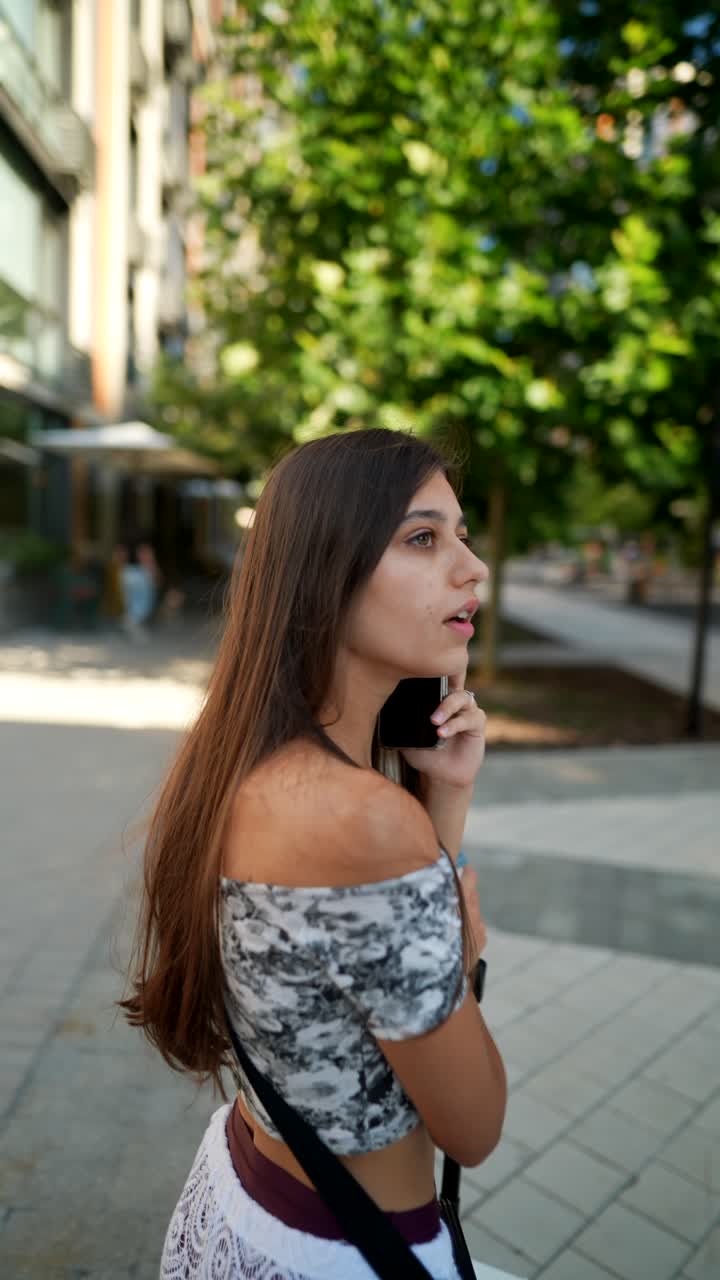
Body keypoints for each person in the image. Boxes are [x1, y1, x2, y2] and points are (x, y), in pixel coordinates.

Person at [121, 428, 507, 1279]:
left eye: (462, 534)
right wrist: (464, 950)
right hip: (338, 1253)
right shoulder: (361, 818)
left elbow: (357, 987)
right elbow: (474, 1127)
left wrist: (443, 795)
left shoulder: (249, 762)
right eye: (422, 538)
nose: (472, 567)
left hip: (241, 1198)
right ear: (324, 570)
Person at [119, 535, 159, 639]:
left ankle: (130, 624)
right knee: (139, 606)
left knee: (136, 605)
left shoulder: (143, 569)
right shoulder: (131, 571)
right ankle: (130, 623)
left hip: (130, 575)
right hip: (139, 578)